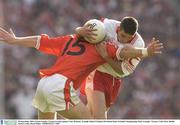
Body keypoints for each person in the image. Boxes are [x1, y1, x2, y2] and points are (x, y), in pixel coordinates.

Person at [0, 25, 162, 119]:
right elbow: (125, 52)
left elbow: (40, 41)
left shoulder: (71, 38)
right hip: (59, 86)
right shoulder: (102, 46)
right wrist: (145, 52)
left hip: (44, 83)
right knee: (93, 121)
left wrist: (15, 40)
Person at [76, 16, 161, 119]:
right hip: (97, 72)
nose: (124, 40)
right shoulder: (107, 25)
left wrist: (106, 56)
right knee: (99, 118)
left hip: (114, 79)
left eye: (128, 38)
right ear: (119, 28)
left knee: (90, 116)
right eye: (123, 35)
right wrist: (79, 30)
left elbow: (122, 71)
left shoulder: (138, 44)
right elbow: (86, 30)